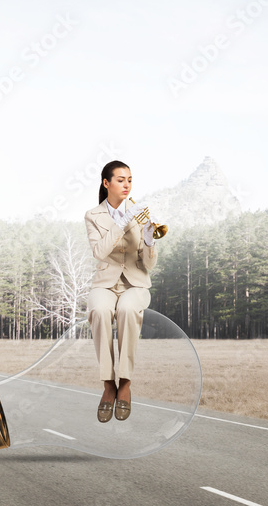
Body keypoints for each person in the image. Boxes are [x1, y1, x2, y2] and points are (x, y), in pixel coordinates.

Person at [84, 160, 159, 422]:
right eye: (120, 180)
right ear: (106, 183)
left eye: (129, 179)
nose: (126, 184)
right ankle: (108, 384)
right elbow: (99, 252)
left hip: (135, 282)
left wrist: (149, 240)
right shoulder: (92, 216)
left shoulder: (141, 214)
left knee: (128, 309)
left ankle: (125, 382)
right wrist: (123, 222)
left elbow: (148, 263)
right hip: (105, 282)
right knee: (99, 310)